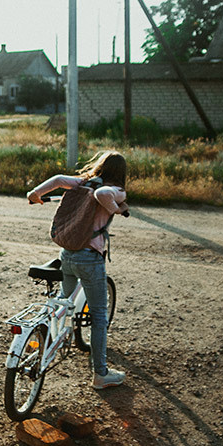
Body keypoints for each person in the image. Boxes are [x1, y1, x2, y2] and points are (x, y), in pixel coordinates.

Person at [26, 150, 128, 390]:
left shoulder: (83, 182)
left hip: (67, 255)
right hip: (89, 260)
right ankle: (101, 374)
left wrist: (36, 193)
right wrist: (118, 209)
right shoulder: (116, 189)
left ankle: (48, 339)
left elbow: (59, 179)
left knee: (63, 302)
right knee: (99, 317)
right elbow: (104, 195)